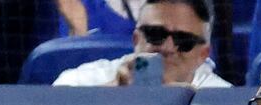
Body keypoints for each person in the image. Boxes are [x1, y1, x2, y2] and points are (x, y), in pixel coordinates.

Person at [53, 0, 231, 87]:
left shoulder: (220, 96)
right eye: (156, 34)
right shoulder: (82, 80)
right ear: (136, 39)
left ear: (203, 54)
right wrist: (111, 96)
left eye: (184, 41)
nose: (168, 48)